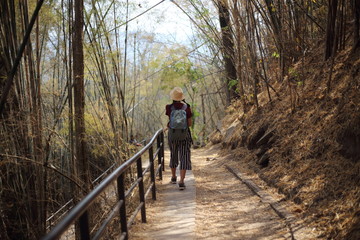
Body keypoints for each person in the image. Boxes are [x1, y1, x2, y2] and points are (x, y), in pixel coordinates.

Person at [166, 87, 192, 190]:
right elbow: (189, 123)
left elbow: (170, 122)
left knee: (174, 154)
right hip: (184, 135)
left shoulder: (168, 107)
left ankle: (173, 177)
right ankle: (181, 181)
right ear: (181, 97)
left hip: (172, 135)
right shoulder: (187, 107)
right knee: (184, 156)